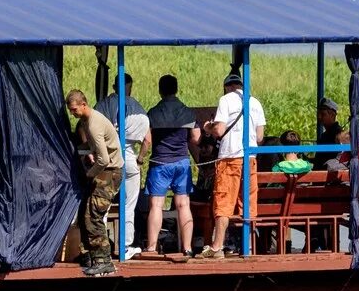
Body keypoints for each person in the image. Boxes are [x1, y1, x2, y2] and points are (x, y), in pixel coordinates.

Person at [200, 72, 265, 259]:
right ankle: (249, 246)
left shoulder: (226, 100)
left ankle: (217, 246)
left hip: (230, 157)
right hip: (250, 158)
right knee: (248, 202)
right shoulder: (255, 103)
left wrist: (208, 127)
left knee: (223, 201)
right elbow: (259, 137)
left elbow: (219, 130)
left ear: (227, 87)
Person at [67, 89, 124, 277]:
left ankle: (103, 260)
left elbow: (104, 160)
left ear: (83, 104)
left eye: (74, 109)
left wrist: (89, 175)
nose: (73, 113)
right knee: (85, 213)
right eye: (70, 110)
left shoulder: (93, 124)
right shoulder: (87, 121)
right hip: (104, 172)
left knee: (93, 216)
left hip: (109, 172)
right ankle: (90, 254)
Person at [95, 73, 152, 258]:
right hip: (129, 156)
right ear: (130, 86)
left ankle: (100, 244)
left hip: (109, 156)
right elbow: (147, 140)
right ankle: (125, 245)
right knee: (129, 205)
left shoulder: (104, 105)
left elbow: (89, 126)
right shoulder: (138, 108)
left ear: (114, 86)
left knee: (103, 203)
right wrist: (140, 158)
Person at [144, 74, 199, 257]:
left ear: (160, 90)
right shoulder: (187, 112)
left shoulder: (153, 113)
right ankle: (188, 247)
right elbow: (196, 138)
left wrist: (141, 156)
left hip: (160, 163)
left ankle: (151, 248)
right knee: (184, 205)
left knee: (156, 205)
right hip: (182, 162)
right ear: (176, 89)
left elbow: (147, 139)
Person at [313, 97, 343, 168]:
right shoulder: (325, 135)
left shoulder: (338, 135)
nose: (319, 117)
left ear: (332, 115)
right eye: (318, 114)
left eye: (323, 114)